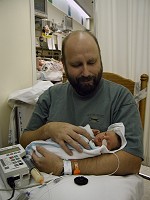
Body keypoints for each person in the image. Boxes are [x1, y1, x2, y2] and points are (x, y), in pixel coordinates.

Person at [20, 30, 143, 176]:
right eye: (77, 65)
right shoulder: (51, 96)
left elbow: (132, 161)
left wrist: (65, 166)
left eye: (92, 62)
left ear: (100, 60)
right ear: (64, 66)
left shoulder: (121, 98)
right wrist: (47, 129)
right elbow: (23, 142)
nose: (86, 72)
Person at [25, 123, 126, 160]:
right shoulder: (90, 136)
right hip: (58, 142)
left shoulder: (95, 150)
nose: (104, 138)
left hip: (67, 152)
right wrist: (89, 131)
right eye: (105, 134)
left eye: (107, 142)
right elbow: (78, 130)